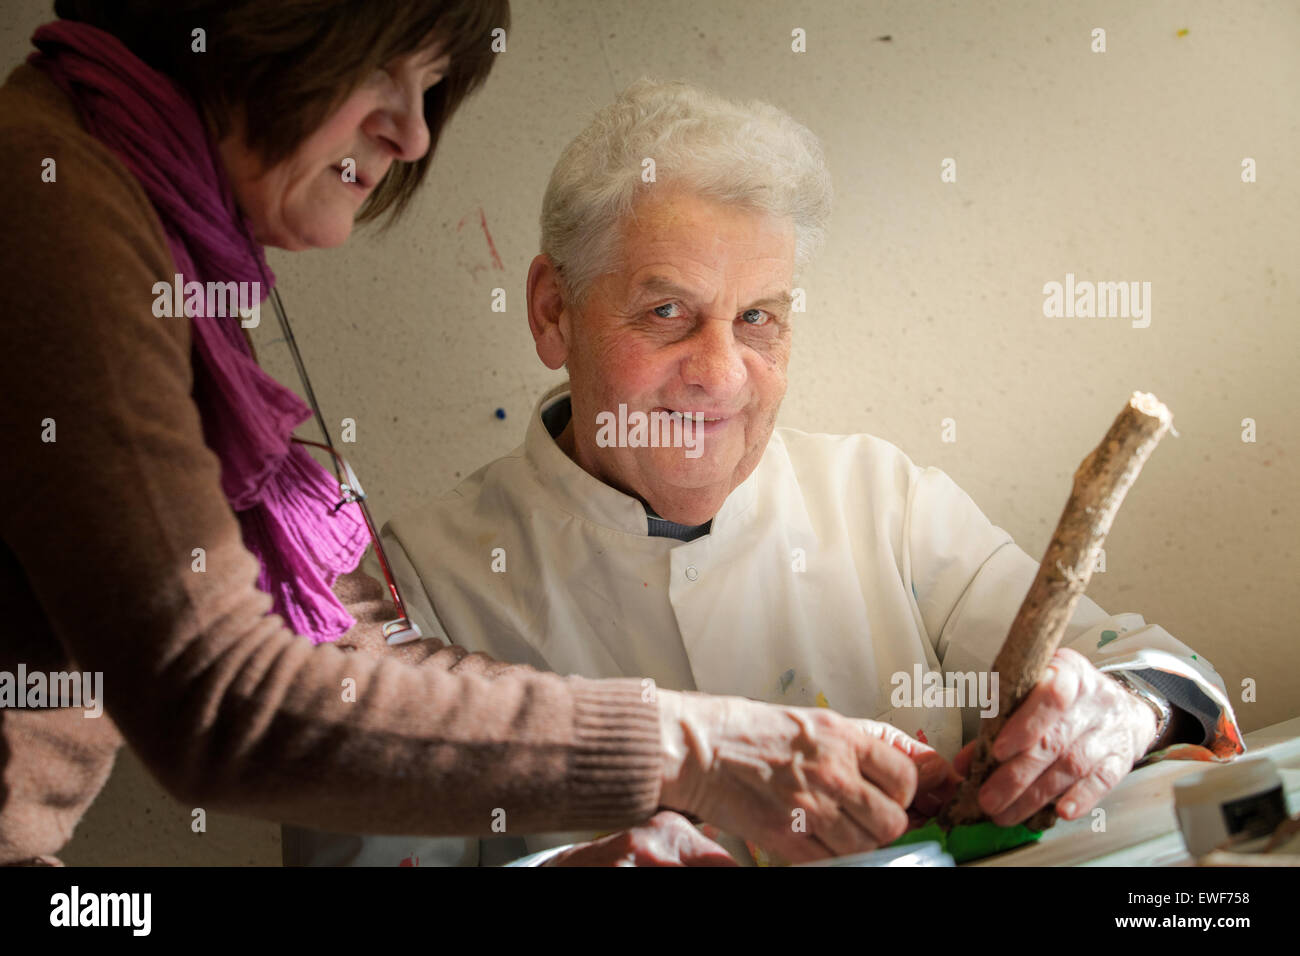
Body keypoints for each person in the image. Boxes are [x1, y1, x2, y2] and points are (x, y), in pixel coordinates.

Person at [0, 2, 937, 867]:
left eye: (760, 318)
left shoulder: (142, 213)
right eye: (383, 68)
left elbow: (341, 656)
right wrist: (696, 747)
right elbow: (223, 695)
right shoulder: (54, 205)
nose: (411, 133)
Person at [289, 79, 1244, 866]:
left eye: (758, 319)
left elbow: (1162, 667)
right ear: (552, 312)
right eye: (666, 313)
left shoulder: (885, 499)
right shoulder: (416, 582)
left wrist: (1123, 712)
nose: (720, 373)